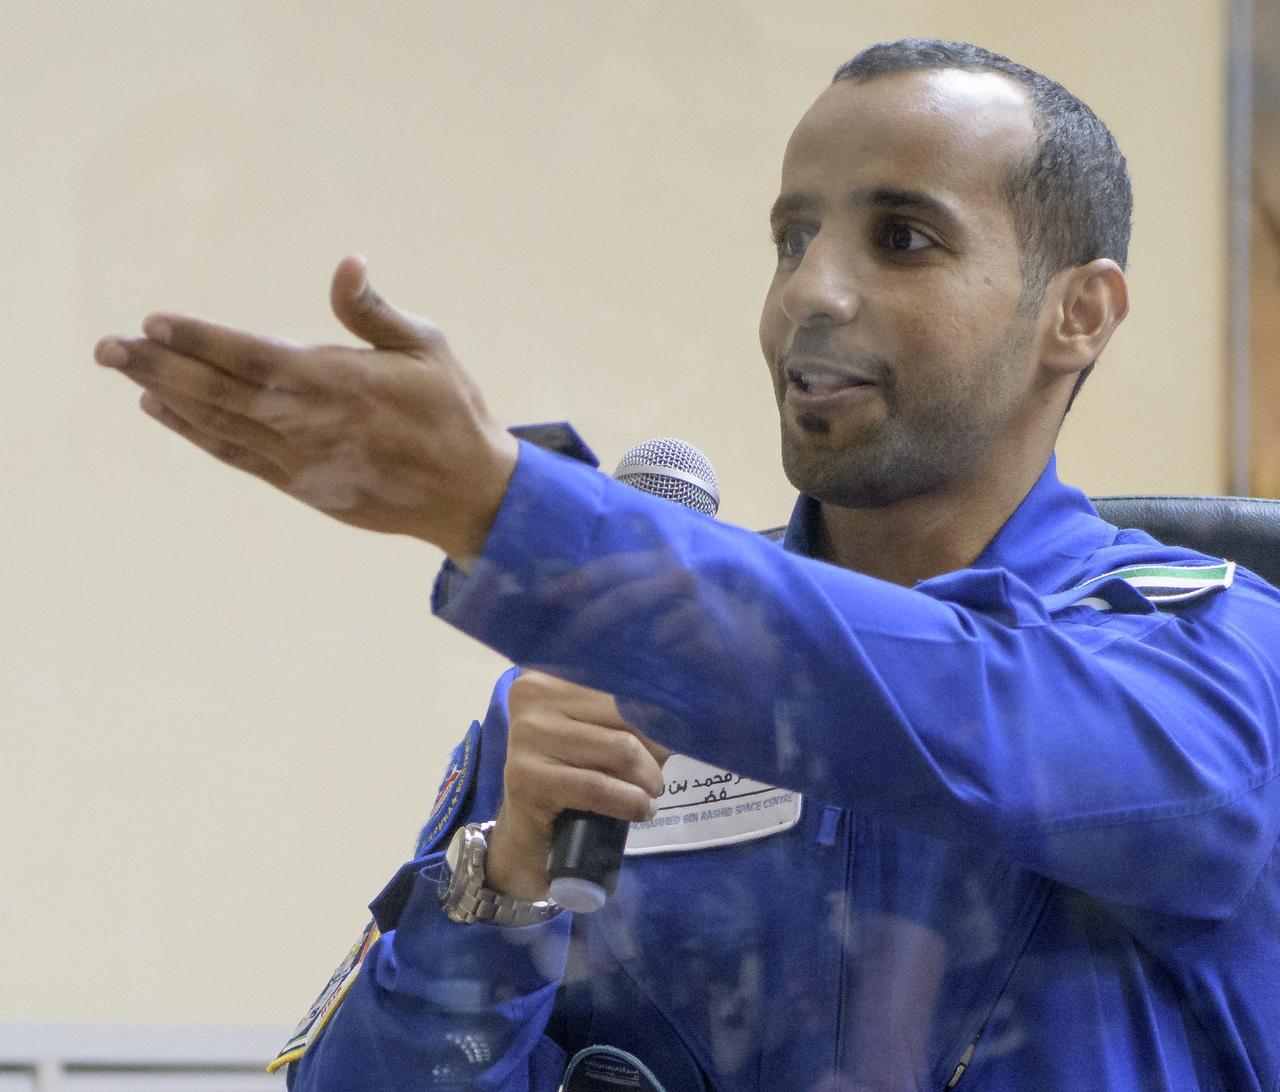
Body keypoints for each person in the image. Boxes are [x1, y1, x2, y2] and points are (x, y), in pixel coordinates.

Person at [94, 38, 1280, 1092]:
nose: (810, 290)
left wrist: (515, 515)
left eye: (900, 239)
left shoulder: (1209, 654)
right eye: (791, 238)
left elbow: (959, 711)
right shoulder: (596, 679)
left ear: (1078, 313)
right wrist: (500, 887)